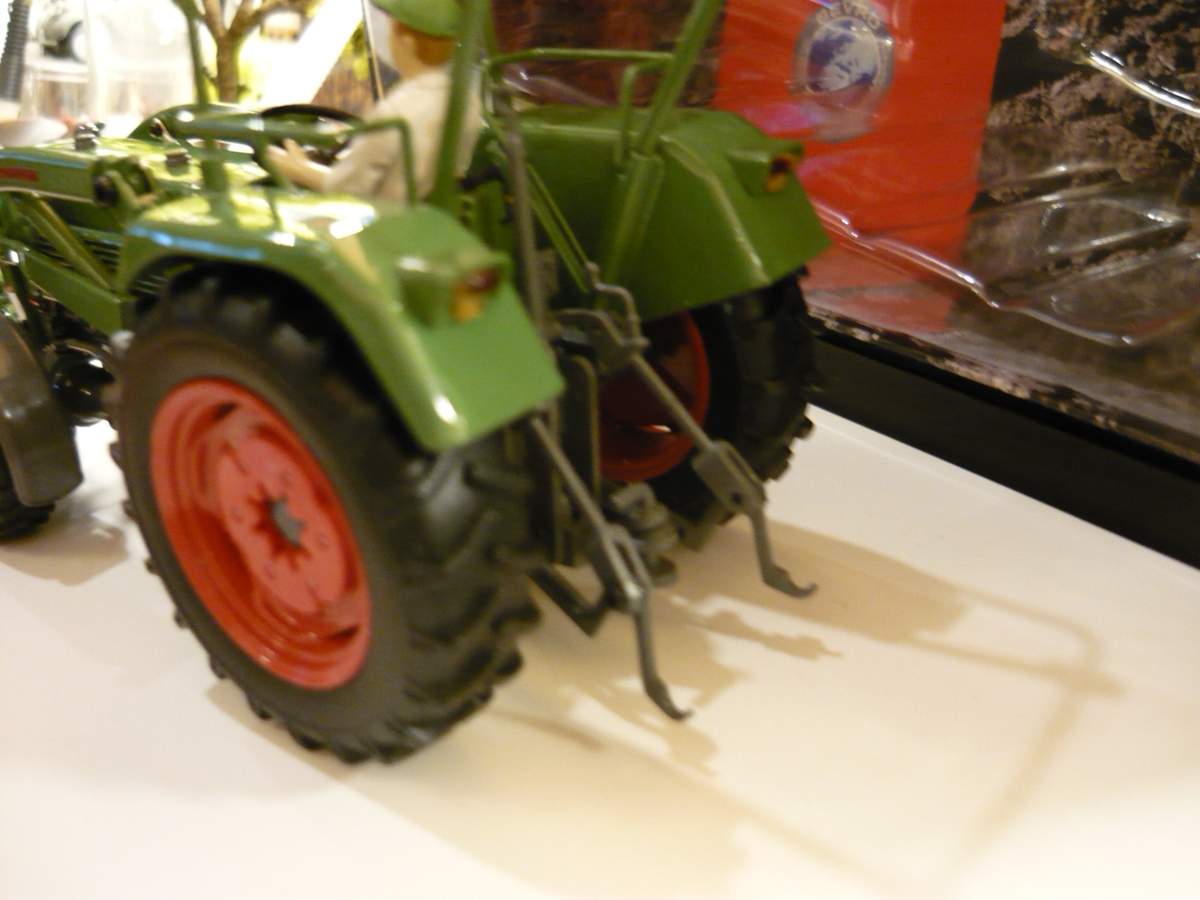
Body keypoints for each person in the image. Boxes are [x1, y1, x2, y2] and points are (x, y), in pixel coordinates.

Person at [267, 0, 474, 202]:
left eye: (393, 28)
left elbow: (346, 188)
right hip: (429, 217)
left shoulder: (395, 111)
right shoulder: (468, 102)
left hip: (383, 220)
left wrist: (297, 168)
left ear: (407, 41)